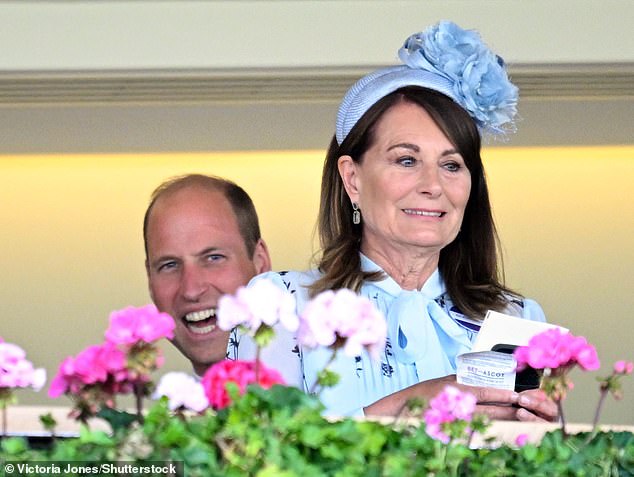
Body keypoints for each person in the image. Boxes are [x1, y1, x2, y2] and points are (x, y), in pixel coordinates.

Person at [242, 21, 557, 421]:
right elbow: (255, 456)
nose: (433, 185)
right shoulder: (280, 304)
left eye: (451, 164)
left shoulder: (518, 319)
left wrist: (539, 437)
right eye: (406, 160)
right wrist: (413, 404)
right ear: (352, 178)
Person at [144, 174, 272, 378]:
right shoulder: (171, 406)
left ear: (260, 263)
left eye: (213, 258)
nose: (191, 290)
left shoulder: (324, 394)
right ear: (149, 280)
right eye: (169, 265)